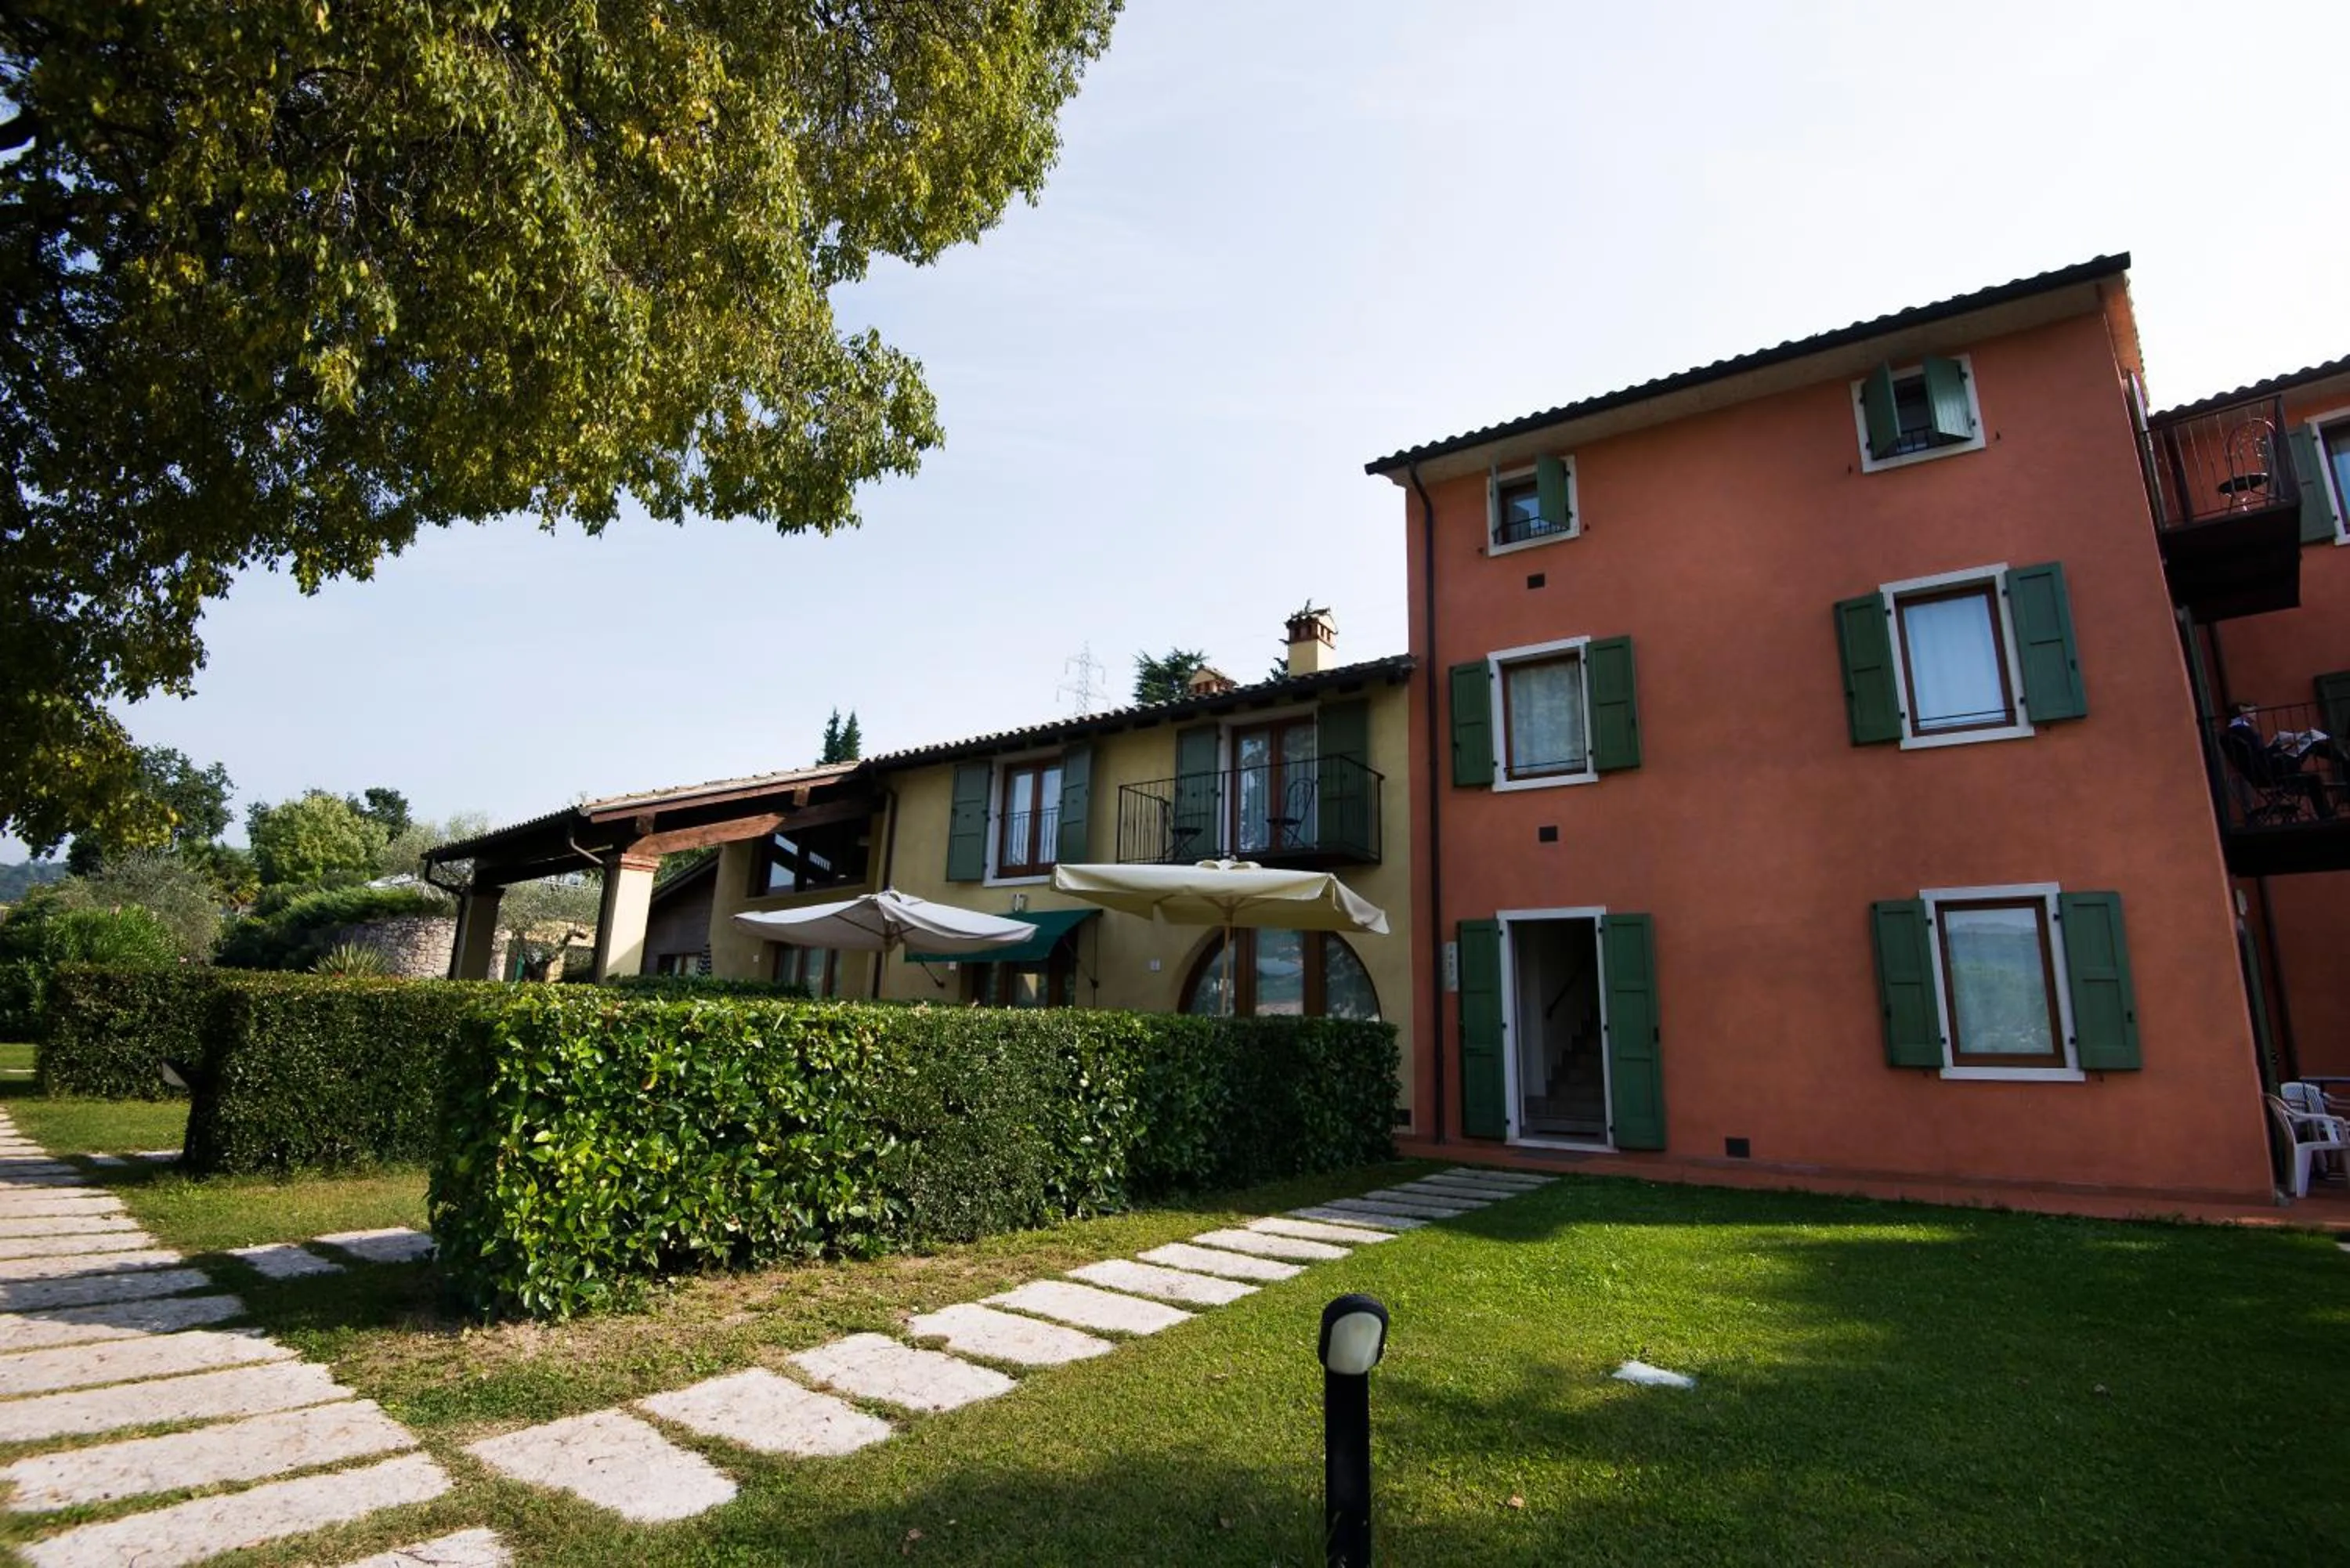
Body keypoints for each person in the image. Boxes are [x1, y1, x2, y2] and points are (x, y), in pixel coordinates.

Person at [2222, 702, 2334, 819]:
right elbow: (2262, 756)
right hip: (2272, 771)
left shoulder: (2233, 733)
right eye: (2252, 712)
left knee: (2313, 779)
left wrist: (2275, 747)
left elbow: (2257, 755)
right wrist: (2279, 747)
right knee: (2311, 742)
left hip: (2263, 774)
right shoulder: (2244, 730)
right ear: (2243, 713)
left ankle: (2326, 814)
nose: (2255, 714)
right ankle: (2342, 759)